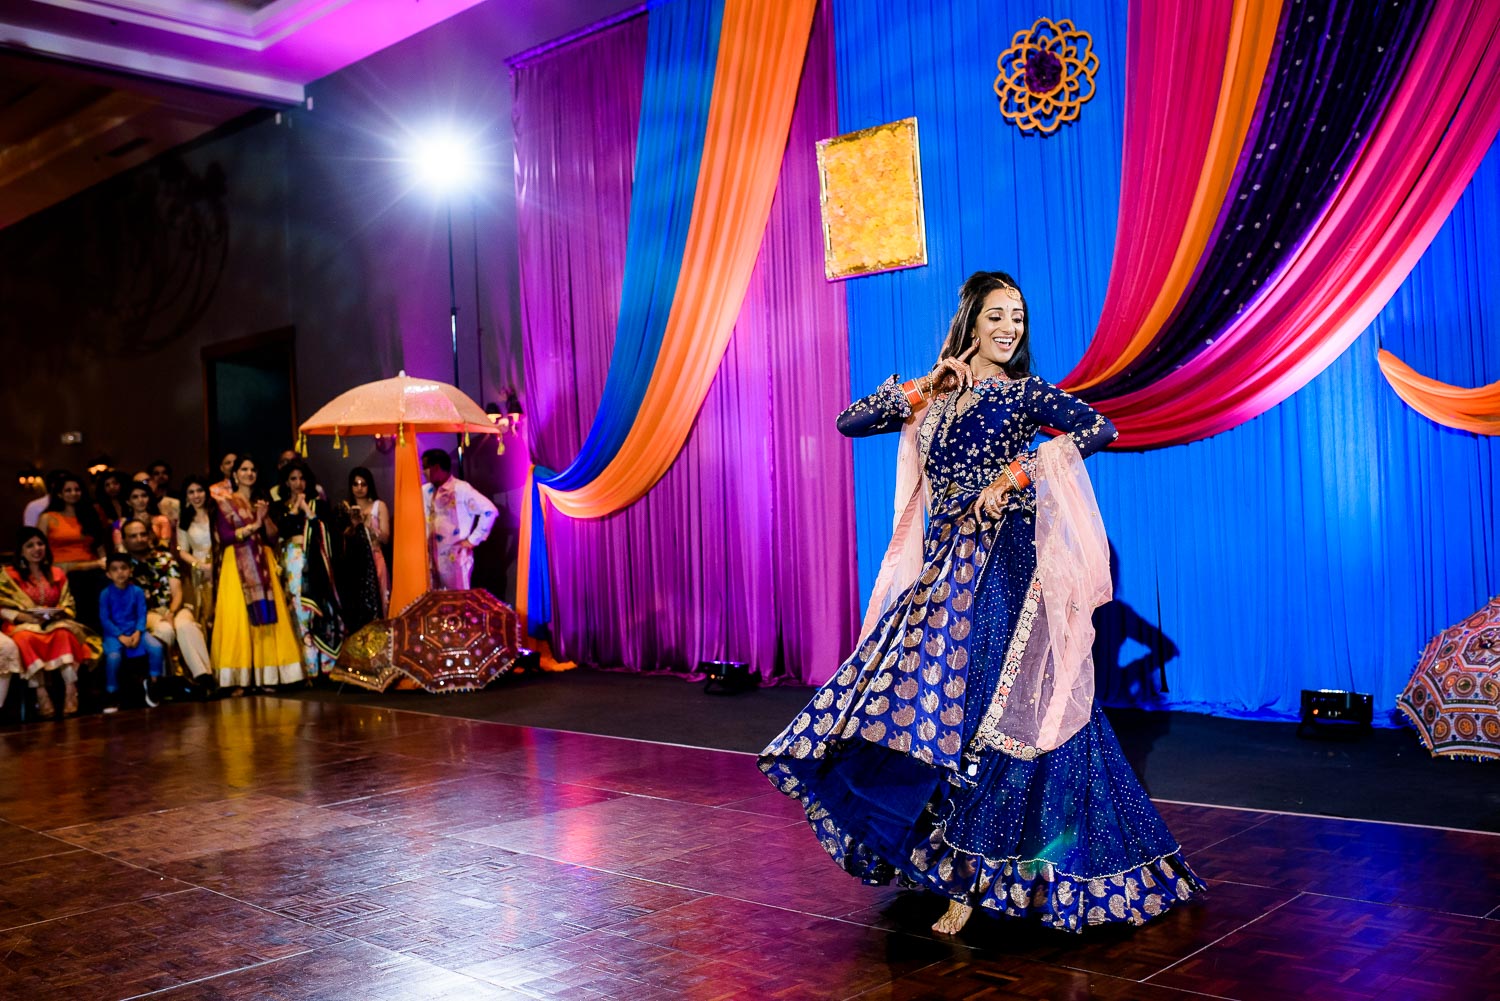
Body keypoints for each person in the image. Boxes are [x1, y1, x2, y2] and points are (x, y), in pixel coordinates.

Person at [760, 272, 1203, 935]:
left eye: (1018, 316)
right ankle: (946, 862)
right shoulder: (938, 391)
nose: (1009, 327)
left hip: (1003, 568)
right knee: (915, 711)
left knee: (986, 716)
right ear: (970, 321)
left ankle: (976, 877)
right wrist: (926, 387)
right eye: (997, 314)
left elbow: (1097, 427)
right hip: (941, 574)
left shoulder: (1025, 393)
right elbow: (850, 421)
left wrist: (1020, 471)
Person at [210, 454, 303, 693]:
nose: (249, 473)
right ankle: (238, 679)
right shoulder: (225, 502)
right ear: (235, 474)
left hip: (262, 560)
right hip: (237, 563)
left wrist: (264, 519)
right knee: (238, 618)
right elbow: (226, 537)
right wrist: (252, 526)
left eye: (253, 469)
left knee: (267, 616)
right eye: (244, 469)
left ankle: (268, 675)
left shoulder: (261, 501)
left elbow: (271, 537)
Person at [0, 528, 100, 718]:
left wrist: (59, 613)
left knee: (65, 634)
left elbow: (68, 603)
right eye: (30, 545)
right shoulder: (9, 575)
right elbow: (1, 606)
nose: (37, 549)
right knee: (24, 638)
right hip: (22, 625)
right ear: (21, 551)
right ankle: (41, 693)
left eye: (40, 544)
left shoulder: (57, 573)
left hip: (54, 623)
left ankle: (71, 690)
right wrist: (24, 617)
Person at [121, 518, 215, 696]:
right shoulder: (123, 566)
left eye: (143, 534)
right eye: (133, 536)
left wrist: (172, 612)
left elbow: (177, 591)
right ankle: (167, 683)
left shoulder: (164, 558)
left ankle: (204, 678)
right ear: (125, 540)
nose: (140, 538)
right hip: (146, 613)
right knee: (164, 630)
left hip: (174, 607)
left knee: (186, 626)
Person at [272, 460, 343, 678]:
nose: (298, 483)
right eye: (293, 479)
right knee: (299, 607)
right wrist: (295, 508)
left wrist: (307, 510)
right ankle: (309, 667)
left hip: (315, 560)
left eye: (302, 478)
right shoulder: (280, 507)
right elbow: (281, 530)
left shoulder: (318, 504)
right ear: (286, 482)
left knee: (321, 608)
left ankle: (328, 665)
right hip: (293, 560)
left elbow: (328, 528)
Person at [36, 473, 108, 628]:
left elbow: (99, 546)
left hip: (92, 567)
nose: (74, 493)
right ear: (59, 494)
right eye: (68, 490)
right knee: (78, 584)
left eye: (77, 489)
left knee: (105, 584)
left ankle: (101, 635)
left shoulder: (89, 515)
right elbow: (39, 547)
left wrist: (106, 564)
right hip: (62, 569)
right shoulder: (48, 517)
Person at [98, 551, 166, 712]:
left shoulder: (136, 591)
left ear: (130, 570)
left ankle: (153, 683)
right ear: (108, 574)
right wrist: (120, 636)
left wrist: (137, 632)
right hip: (115, 634)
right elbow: (105, 619)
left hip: (136, 631)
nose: (120, 572)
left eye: (123, 568)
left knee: (156, 647)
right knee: (113, 657)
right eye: (114, 569)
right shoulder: (105, 594)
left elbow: (141, 614)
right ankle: (111, 693)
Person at [421, 449, 497, 591]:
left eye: (425, 467)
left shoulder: (461, 489)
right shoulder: (424, 491)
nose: (423, 472)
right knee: (434, 602)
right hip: (430, 558)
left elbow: (489, 510)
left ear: (436, 467)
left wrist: (472, 540)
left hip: (455, 557)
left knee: (458, 601)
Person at [336, 466, 389, 631]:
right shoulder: (344, 508)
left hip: (375, 557)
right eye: (355, 484)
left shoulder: (378, 506)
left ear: (369, 485)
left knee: (379, 599)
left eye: (363, 484)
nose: (359, 488)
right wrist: (353, 525)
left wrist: (366, 524)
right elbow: (340, 539)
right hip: (354, 564)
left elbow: (386, 538)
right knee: (356, 603)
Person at [177, 475, 217, 629]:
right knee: (205, 609)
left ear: (206, 492)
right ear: (186, 496)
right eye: (191, 492)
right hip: (200, 569)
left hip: (219, 563)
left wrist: (213, 564)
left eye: (199, 490)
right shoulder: (185, 520)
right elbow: (182, 550)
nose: (196, 495)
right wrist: (201, 565)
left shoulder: (216, 514)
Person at [111, 481, 173, 551]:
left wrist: (149, 528)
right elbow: (119, 549)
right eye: (135, 497)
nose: (140, 500)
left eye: (144, 496)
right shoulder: (118, 523)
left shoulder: (162, 520)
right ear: (128, 502)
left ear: (149, 498)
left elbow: (165, 546)